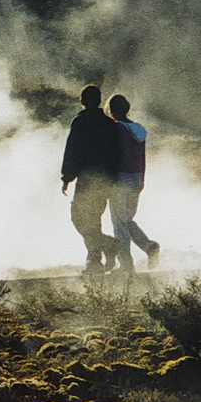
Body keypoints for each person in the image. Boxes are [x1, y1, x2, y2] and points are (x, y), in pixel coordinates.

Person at [60, 84, 119, 274]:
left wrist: (67, 176)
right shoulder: (110, 124)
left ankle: (103, 251)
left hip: (87, 179)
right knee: (93, 219)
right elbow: (117, 154)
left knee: (79, 218)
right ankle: (95, 260)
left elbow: (73, 151)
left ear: (83, 101)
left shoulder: (81, 122)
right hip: (106, 180)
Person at [107, 94, 161, 271]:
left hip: (120, 179)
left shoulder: (116, 129)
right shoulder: (138, 129)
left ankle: (126, 264)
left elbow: (114, 156)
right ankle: (148, 246)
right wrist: (142, 179)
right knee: (127, 219)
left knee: (119, 222)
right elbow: (142, 158)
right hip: (137, 179)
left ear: (113, 111)